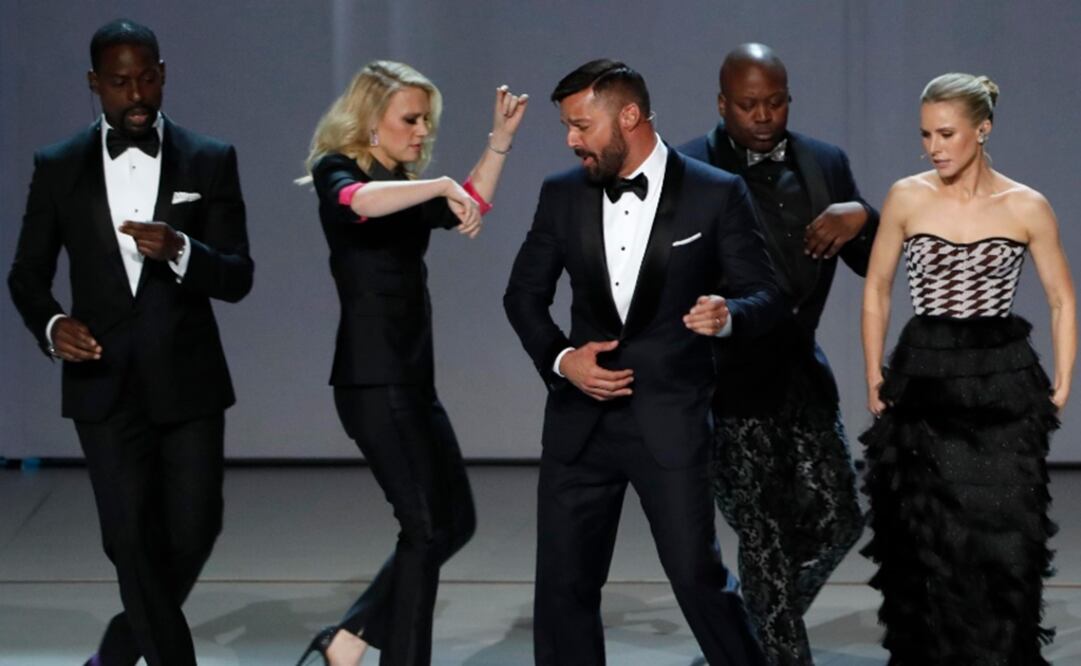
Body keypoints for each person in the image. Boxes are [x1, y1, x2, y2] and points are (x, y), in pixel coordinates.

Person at [504, 58, 782, 666]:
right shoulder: (561, 194)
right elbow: (521, 297)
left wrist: (728, 312)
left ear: (628, 116)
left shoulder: (715, 192)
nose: (572, 139)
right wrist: (562, 359)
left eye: (581, 124)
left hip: (670, 421)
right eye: (567, 128)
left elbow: (768, 294)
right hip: (581, 425)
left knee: (698, 581)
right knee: (563, 591)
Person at [7, 19, 253, 666]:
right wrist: (54, 326)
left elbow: (238, 276)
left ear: (163, 73)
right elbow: (26, 275)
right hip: (103, 386)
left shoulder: (210, 158)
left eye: (146, 77)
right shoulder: (58, 167)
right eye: (119, 82)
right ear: (95, 85)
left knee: (196, 529)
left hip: (189, 383)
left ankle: (117, 653)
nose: (136, 93)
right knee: (131, 543)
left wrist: (182, 250)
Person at [296, 61, 526, 666]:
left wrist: (497, 142)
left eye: (427, 119)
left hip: (411, 379)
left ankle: (348, 640)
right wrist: (439, 185)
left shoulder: (405, 184)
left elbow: (468, 203)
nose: (422, 130)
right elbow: (360, 204)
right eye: (411, 118)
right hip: (372, 381)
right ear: (372, 121)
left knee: (455, 523)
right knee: (424, 530)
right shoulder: (337, 170)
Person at [860, 72, 1075, 665]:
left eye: (946, 133)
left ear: (982, 129)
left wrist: (1063, 381)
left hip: (1001, 385)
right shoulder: (907, 195)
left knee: (1004, 536)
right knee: (923, 536)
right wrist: (873, 374)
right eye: (926, 134)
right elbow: (876, 288)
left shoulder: (1025, 204)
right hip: (924, 380)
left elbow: (1061, 297)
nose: (934, 146)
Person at [679, 43, 874, 665]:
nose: (763, 115)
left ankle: (751, 626)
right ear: (722, 103)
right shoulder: (685, 168)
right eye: (748, 104)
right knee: (761, 539)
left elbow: (871, 264)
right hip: (725, 381)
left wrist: (862, 216)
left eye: (775, 102)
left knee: (840, 519)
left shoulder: (824, 162)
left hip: (801, 375)